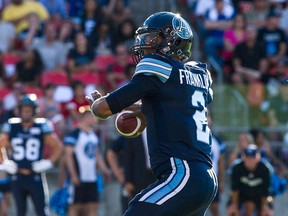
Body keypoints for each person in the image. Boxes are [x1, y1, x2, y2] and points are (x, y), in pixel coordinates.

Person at [86, 11, 217, 216]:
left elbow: (102, 110)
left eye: (151, 39)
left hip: (182, 172)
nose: (144, 44)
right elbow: (170, 104)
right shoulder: (198, 75)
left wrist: (97, 103)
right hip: (206, 178)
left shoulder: (159, 67)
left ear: (173, 41)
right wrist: (140, 110)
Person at [0, 94, 63, 216]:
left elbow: (58, 147)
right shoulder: (12, 126)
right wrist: (4, 162)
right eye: (24, 110)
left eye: (29, 110)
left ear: (34, 111)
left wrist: (49, 162)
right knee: (20, 212)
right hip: (17, 176)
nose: (26, 113)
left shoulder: (41, 126)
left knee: (41, 212)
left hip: (36, 175)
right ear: (19, 110)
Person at [64, 105, 110, 216]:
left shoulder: (93, 136)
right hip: (79, 177)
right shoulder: (74, 134)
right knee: (75, 207)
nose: (96, 120)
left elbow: (97, 155)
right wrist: (73, 175)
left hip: (92, 178)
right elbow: (68, 156)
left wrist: (105, 171)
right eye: (94, 117)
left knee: (93, 206)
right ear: (88, 117)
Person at [227, 144, 273, 216]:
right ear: (243, 157)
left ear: (258, 158)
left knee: (267, 213)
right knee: (232, 211)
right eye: (248, 157)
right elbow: (235, 189)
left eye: (252, 158)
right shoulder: (237, 168)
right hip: (241, 195)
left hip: (259, 196)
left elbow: (266, 191)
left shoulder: (265, 169)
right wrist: (234, 205)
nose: (250, 160)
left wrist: (264, 207)